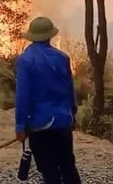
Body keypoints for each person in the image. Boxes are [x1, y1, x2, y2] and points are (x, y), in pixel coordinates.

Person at [15, 16, 81, 184]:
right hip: (63, 120)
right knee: (67, 166)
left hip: (40, 124)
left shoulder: (25, 60)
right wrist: (72, 113)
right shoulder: (62, 58)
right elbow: (69, 89)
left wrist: (20, 126)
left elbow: (23, 96)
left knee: (48, 169)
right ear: (50, 35)